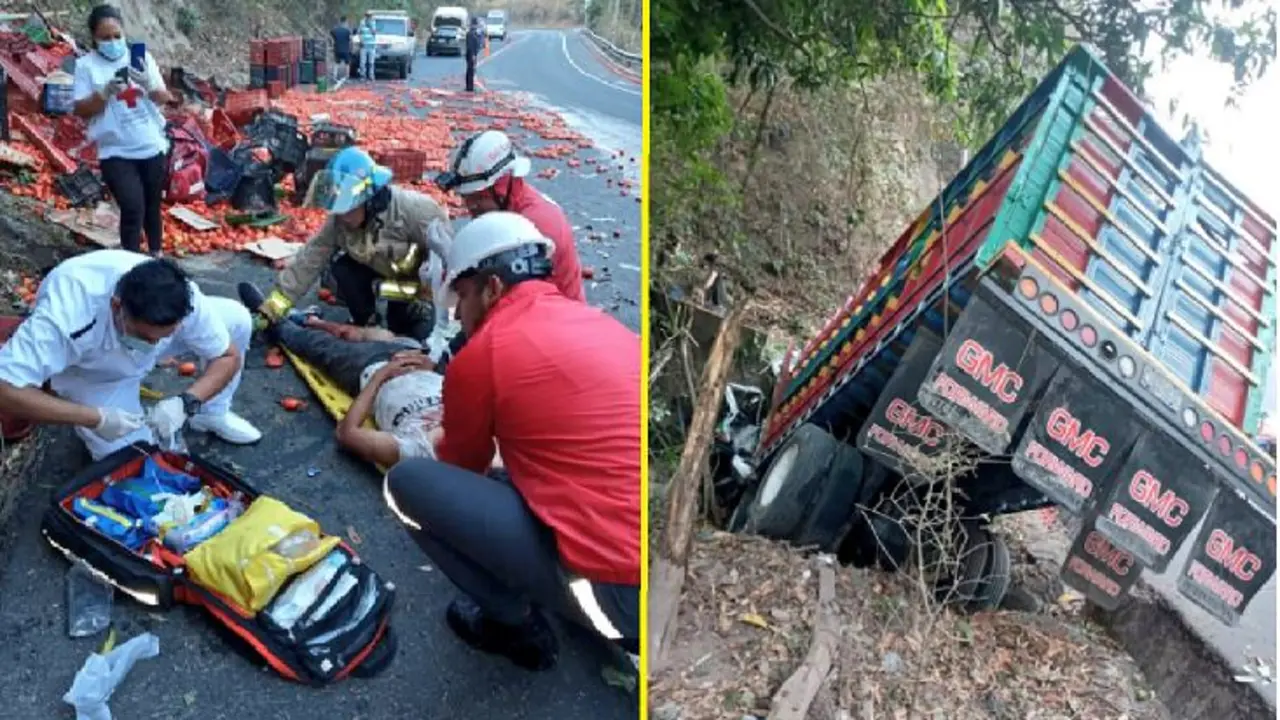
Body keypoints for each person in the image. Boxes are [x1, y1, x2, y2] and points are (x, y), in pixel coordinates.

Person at [382, 212, 640, 672]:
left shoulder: (483, 355)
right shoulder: (605, 328)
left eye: (461, 296)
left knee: (407, 484)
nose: (457, 314)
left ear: (493, 288)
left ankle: (513, 625)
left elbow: (461, 468)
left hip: (616, 603)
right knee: (508, 477)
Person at [0, 250, 262, 461]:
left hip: (143, 334)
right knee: (133, 458)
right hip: (94, 371)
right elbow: (6, 388)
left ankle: (211, 413)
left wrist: (188, 401)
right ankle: (109, 409)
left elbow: (227, 356)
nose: (154, 344)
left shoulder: (185, 297)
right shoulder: (66, 315)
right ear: (117, 307)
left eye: (164, 335)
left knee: (237, 318)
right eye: (146, 336)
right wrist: (95, 417)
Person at [235, 283, 458, 467]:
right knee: (354, 332)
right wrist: (432, 364)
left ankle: (276, 322)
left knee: (312, 344)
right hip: (413, 354)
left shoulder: (417, 450)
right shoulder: (480, 428)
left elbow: (346, 433)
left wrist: (382, 375)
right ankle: (311, 320)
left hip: (369, 367)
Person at [258, 146, 454, 343]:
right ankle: (366, 321)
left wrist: (431, 300)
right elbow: (308, 262)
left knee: (409, 333)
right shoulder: (338, 221)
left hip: (414, 284)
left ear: (370, 199)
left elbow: (451, 264)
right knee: (343, 268)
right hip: (378, 274)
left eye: (348, 206)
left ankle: (408, 314)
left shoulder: (417, 212)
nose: (342, 215)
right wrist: (271, 309)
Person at [437, 130, 583, 303]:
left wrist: (453, 265)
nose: (470, 207)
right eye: (466, 198)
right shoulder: (505, 214)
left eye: (477, 198)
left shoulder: (536, 226)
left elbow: (502, 295)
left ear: (501, 187)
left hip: (553, 318)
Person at [72, 5, 172, 258]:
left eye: (117, 35)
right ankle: (130, 263)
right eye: (105, 38)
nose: (113, 42)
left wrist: (148, 84)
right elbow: (82, 110)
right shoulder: (86, 66)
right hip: (115, 150)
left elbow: (163, 97)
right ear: (94, 39)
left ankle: (156, 256)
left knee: (152, 205)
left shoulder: (139, 57)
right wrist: (104, 93)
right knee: (132, 207)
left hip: (150, 144)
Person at [464, 16, 484, 92]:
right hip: (471, 54)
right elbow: (471, 46)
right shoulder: (471, 34)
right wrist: (473, 55)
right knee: (470, 71)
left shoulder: (472, 33)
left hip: (471, 54)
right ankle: (469, 87)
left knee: (471, 70)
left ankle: (470, 86)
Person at [330, 15, 352, 82]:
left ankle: (334, 77)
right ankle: (347, 78)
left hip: (337, 49)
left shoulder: (334, 30)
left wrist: (332, 44)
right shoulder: (347, 31)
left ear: (340, 21)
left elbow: (330, 38)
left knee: (336, 63)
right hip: (345, 49)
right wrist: (351, 49)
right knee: (347, 64)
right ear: (345, 22)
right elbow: (350, 40)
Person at [357, 11, 377, 80]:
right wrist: (360, 40)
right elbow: (359, 33)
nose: (369, 17)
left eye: (370, 16)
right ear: (365, 16)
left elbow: (374, 33)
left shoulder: (373, 23)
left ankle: (371, 75)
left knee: (371, 62)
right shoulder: (362, 23)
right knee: (362, 62)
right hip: (364, 45)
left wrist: (370, 26)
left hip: (371, 45)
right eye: (367, 16)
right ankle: (363, 75)